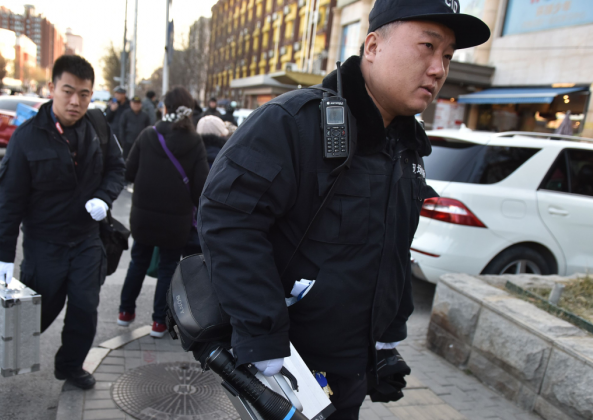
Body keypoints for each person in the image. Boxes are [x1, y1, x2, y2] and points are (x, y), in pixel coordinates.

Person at [196, 1, 490, 418]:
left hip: (351, 371)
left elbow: (393, 248)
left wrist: (387, 337)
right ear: (372, 46)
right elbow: (228, 221)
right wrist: (264, 343)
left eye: (447, 56)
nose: (439, 68)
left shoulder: (407, 147)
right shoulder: (293, 123)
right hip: (285, 369)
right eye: (427, 46)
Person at [0, 55, 125, 390]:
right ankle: (11, 349)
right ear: (52, 89)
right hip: (44, 245)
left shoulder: (99, 128)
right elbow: (10, 200)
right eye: (68, 91)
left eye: (84, 94)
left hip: (86, 241)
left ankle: (70, 366)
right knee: (38, 310)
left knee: (84, 309)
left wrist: (104, 198)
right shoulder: (27, 138)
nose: (75, 101)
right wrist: (2, 253)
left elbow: (117, 168)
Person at [117, 86, 209, 337]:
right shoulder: (195, 142)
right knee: (168, 268)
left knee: (138, 261)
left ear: (164, 108)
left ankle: (125, 312)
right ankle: (159, 323)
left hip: (143, 218)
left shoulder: (148, 135)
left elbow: (128, 172)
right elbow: (201, 187)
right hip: (176, 222)